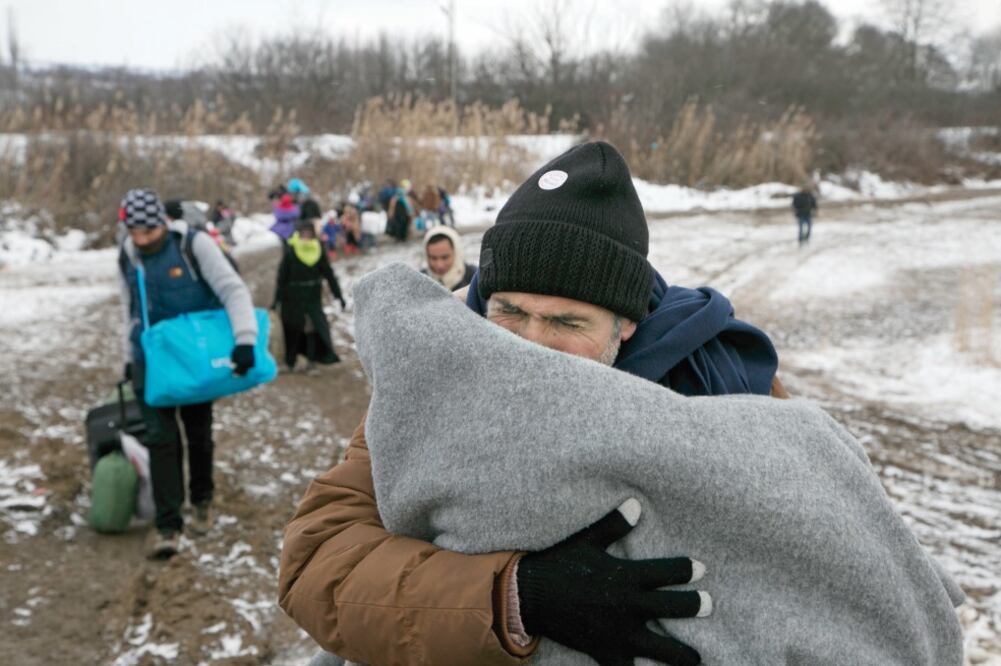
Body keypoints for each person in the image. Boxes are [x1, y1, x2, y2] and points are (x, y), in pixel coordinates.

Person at [279, 142, 786, 665]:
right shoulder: (434, 380)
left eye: (568, 323)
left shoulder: (728, 385)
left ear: (626, 323)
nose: (529, 344)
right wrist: (510, 595)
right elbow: (316, 561)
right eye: (510, 312)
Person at [117, 189, 258, 559]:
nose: (142, 239)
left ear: (162, 222)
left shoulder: (193, 245)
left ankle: (202, 499)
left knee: (198, 432)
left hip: (193, 356)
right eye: (134, 231)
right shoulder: (128, 254)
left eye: (148, 231)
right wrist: (129, 358)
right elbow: (127, 308)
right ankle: (168, 525)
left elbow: (232, 289)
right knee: (160, 438)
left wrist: (244, 340)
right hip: (151, 358)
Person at [272, 220, 346, 375]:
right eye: (303, 234)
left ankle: (312, 363)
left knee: (312, 329)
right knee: (292, 330)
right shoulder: (291, 250)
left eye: (309, 234)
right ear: (299, 234)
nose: (306, 237)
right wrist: (276, 300)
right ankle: (289, 362)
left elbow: (329, 274)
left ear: (313, 235)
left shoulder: (318, 251)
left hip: (312, 298)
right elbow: (281, 278)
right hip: (291, 298)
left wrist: (338, 295)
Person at [420, 226, 476, 291]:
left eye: (445, 257)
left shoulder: (474, 278)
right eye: (433, 258)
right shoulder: (420, 281)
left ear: (456, 252)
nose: (439, 265)